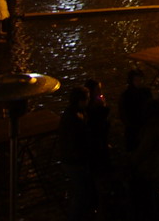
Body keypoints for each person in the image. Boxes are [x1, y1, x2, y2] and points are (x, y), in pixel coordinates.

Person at [128, 98, 159, 219]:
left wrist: (132, 162)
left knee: (150, 195)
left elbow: (143, 151)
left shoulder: (153, 129)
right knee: (154, 193)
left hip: (151, 167)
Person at [60, 86, 97, 221]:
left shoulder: (74, 114)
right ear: (80, 101)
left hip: (74, 160)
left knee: (82, 191)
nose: (88, 102)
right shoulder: (74, 118)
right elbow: (75, 142)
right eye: (87, 99)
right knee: (82, 193)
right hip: (75, 162)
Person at [120, 69, 153, 153]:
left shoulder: (146, 93)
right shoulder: (126, 95)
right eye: (136, 80)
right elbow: (123, 112)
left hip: (145, 127)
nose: (139, 82)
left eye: (140, 80)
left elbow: (151, 108)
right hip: (132, 128)